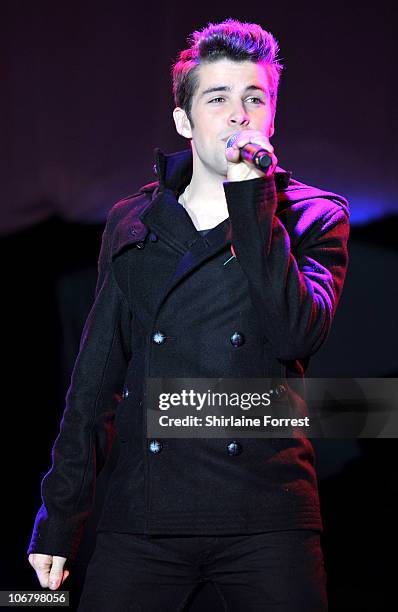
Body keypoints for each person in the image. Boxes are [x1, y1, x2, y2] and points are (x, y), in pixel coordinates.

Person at [28, 18, 350, 611]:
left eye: (255, 98)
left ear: (272, 115)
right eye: (218, 98)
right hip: (145, 516)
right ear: (185, 119)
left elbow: (295, 332)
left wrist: (253, 198)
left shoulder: (313, 216)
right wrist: (61, 514)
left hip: (268, 515)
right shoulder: (135, 222)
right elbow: (95, 382)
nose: (238, 114)